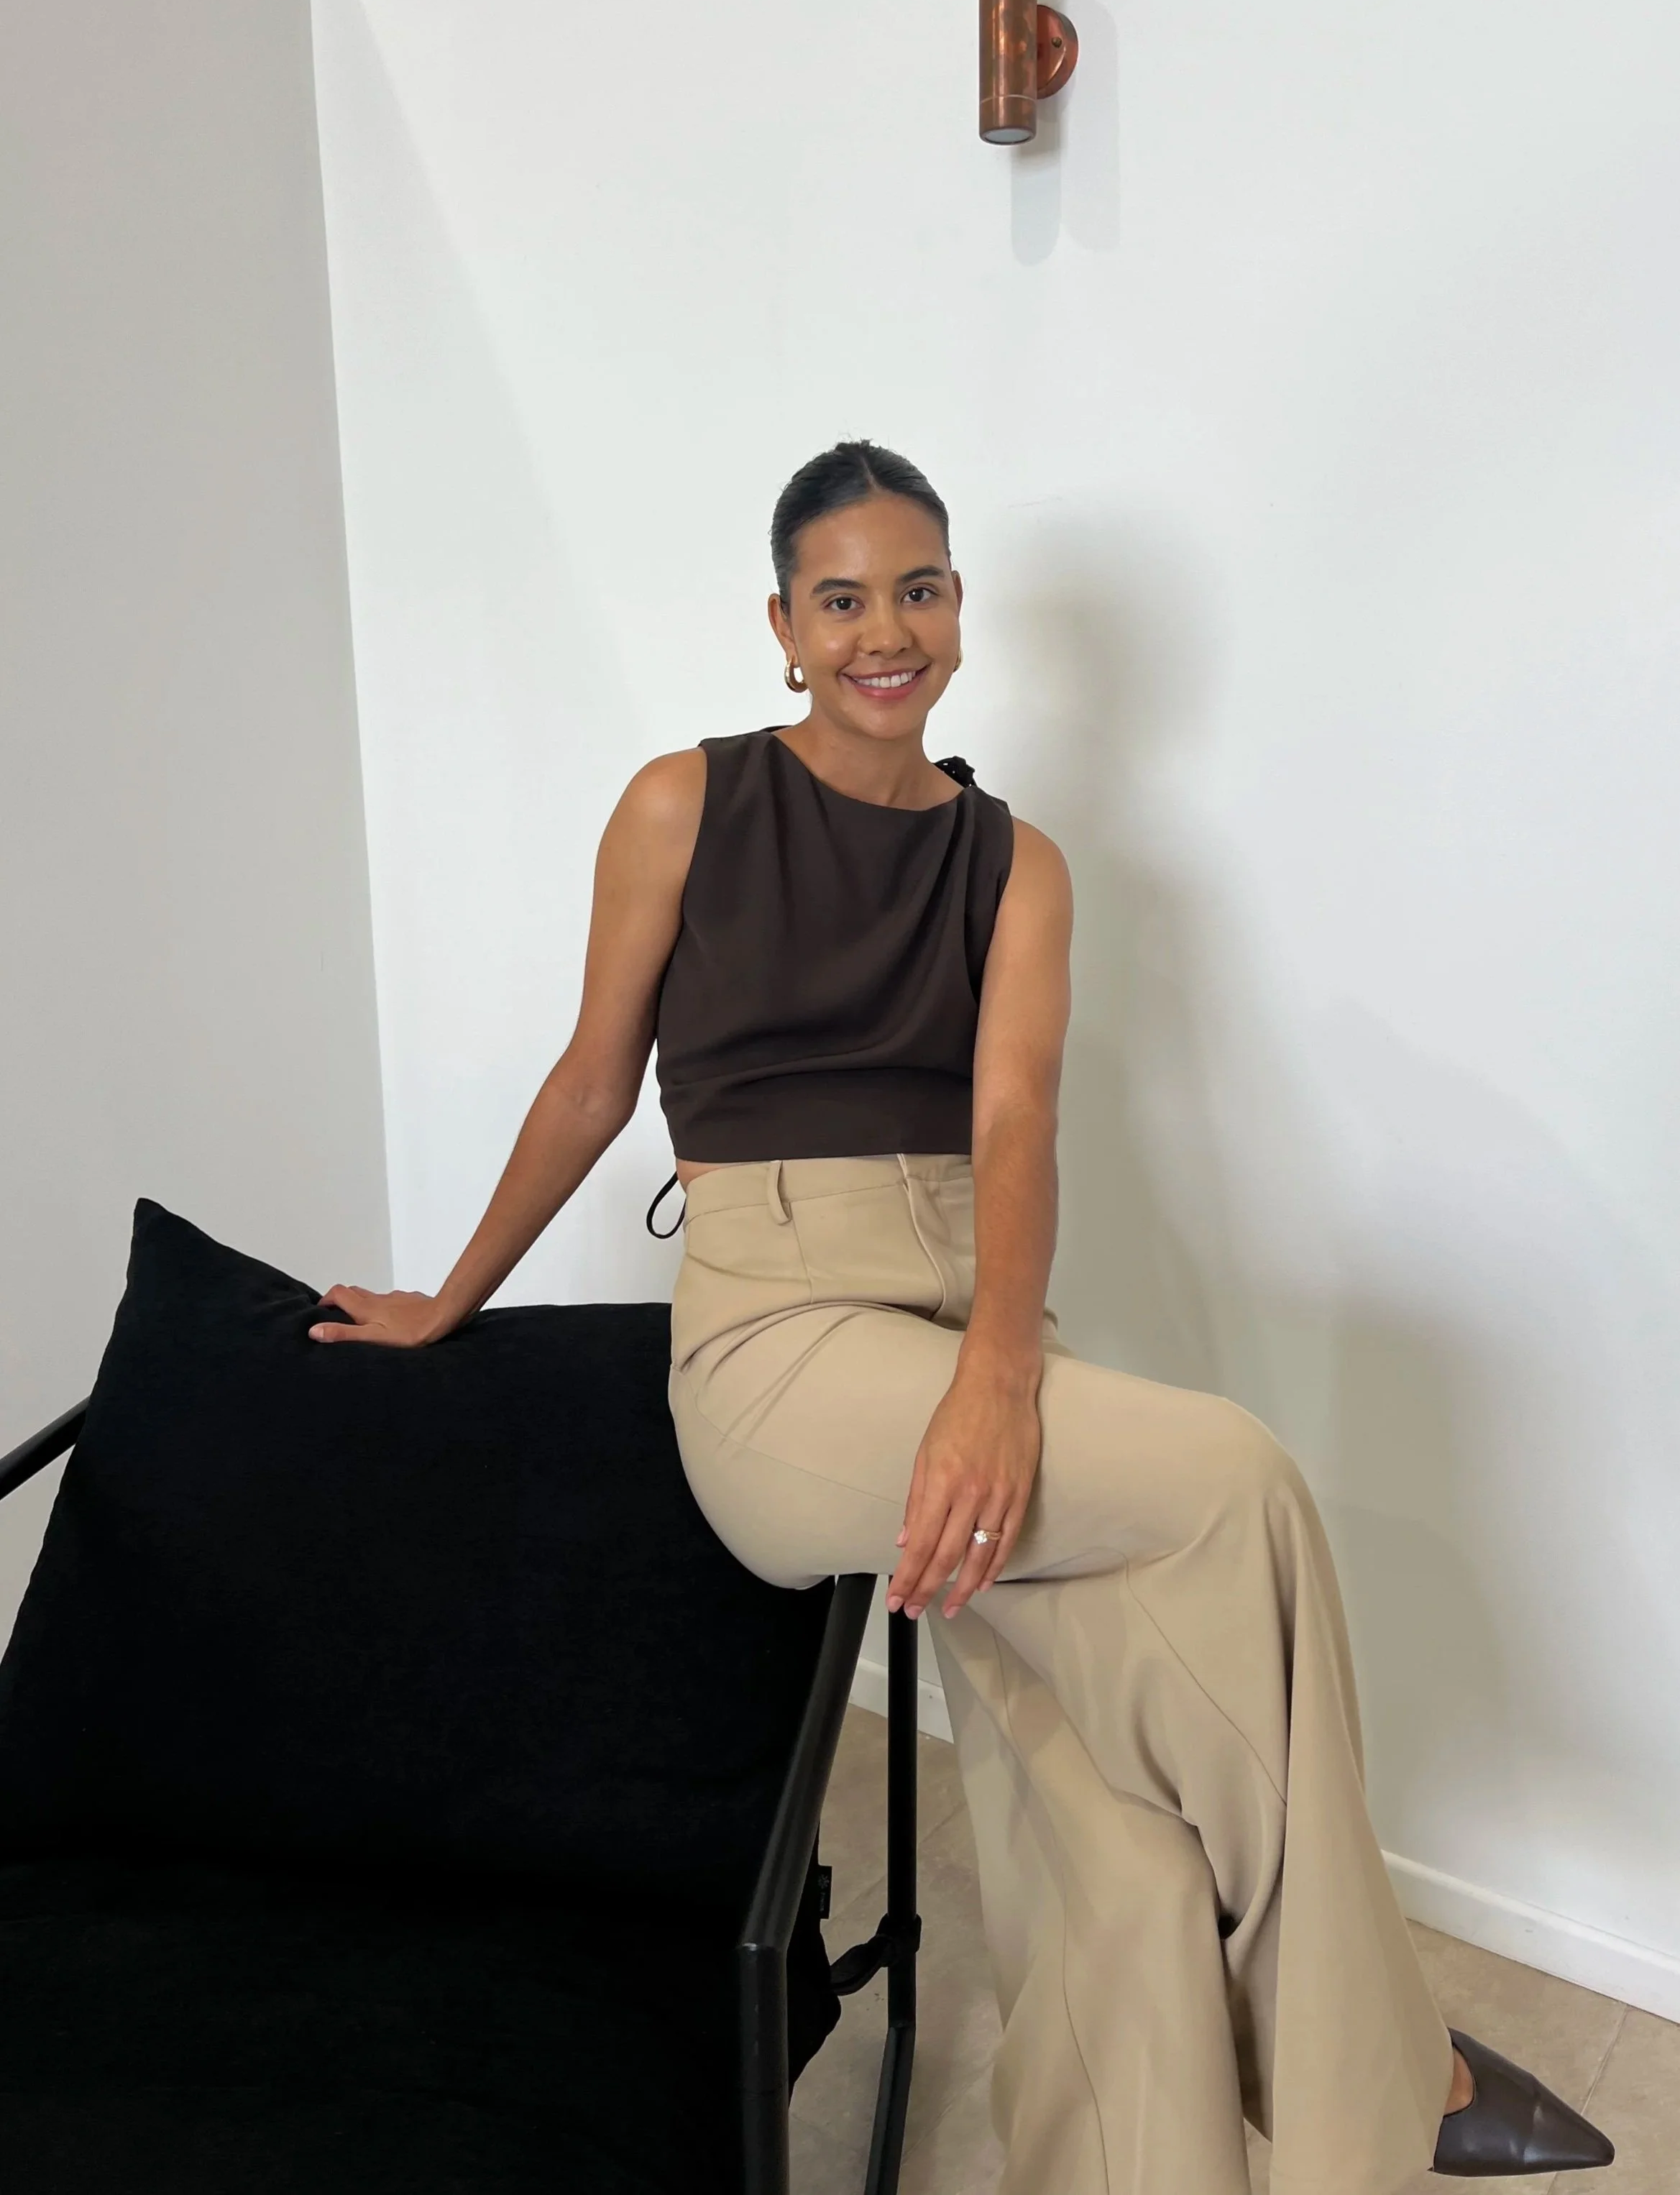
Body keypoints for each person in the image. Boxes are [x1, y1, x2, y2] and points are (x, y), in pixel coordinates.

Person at [311, 441, 1615, 2194]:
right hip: (780, 1348)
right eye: (841, 598)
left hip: (967, 1318)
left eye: (917, 588)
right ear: (782, 626)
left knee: (1122, 1833)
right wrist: (446, 1298)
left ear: (956, 609)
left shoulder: (1020, 863)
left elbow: (1011, 1121)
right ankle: (1397, 2066)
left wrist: (1002, 1373)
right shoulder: (681, 805)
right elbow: (587, 1084)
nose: (884, 631)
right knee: (1240, 1485)